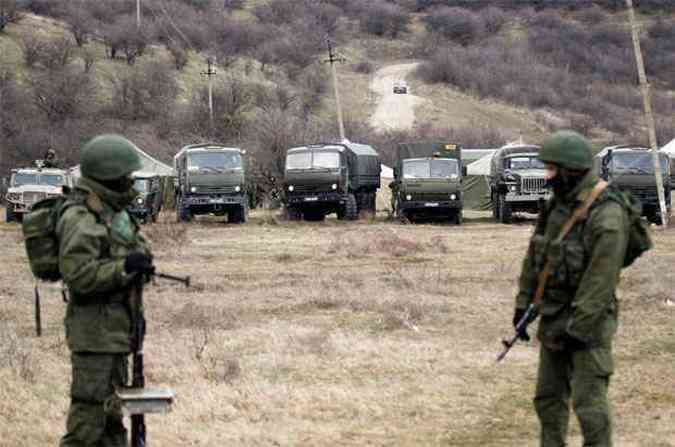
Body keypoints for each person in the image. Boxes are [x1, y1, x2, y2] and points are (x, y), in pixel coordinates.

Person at [514, 130, 630, 447]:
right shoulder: (557, 207)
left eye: (551, 169)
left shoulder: (607, 213)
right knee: (548, 399)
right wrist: (523, 305)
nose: (546, 176)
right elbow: (536, 256)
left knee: (589, 405)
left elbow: (600, 281)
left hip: (589, 325)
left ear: (569, 170)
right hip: (553, 315)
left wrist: (578, 328)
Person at [57, 135, 154, 447]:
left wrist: (139, 267)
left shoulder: (114, 214)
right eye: (126, 177)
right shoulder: (81, 218)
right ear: (108, 178)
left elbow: (131, 256)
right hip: (94, 338)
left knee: (111, 424)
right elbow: (79, 275)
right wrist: (124, 268)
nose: (131, 183)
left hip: (116, 334)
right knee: (88, 426)